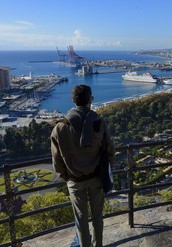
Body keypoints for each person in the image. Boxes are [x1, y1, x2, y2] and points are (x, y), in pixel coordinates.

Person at [51, 84, 115, 247]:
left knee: (81, 220)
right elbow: (110, 151)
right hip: (96, 177)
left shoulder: (60, 128)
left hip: (74, 180)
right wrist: (106, 171)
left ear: (73, 101)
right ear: (89, 100)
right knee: (97, 217)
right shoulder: (99, 122)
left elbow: (57, 161)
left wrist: (67, 177)